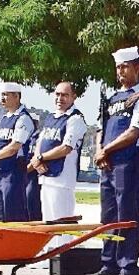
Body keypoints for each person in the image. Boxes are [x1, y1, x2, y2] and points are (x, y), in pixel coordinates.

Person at [89, 46, 139, 275]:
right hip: (107, 162)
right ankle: (109, 263)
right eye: (118, 67)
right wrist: (100, 150)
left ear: (137, 68)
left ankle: (128, 266)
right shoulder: (111, 98)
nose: (120, 72)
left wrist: (106, 150)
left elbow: (134, 132)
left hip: (128, 162)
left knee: (126, 214)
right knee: (108, 215)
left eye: (125, 67)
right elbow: (101, 128)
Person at [29, 81, 87, 223]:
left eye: (65, 95)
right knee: (48, 221)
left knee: (61, 221)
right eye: (57, 94)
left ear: (74, 97)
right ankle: (51, 246)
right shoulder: (51, 117)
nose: (60, 98)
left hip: (62, 180)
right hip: (46, 177)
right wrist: (37, 161)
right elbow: (40, 142)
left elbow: (66, 148)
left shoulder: (75, 119)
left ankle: (64, 246)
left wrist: (42, 158)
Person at [0, 82, 34, 222]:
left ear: (16, 96)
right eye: (2, 95)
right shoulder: (5, 118)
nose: (2, 99)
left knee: (13, 214)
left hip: (13, 173)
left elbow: (13, 147)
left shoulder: (23, 118)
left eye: (6, 95)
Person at [25, 113, 43, 221]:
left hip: (33, 176)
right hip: (23, 176)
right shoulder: (25, 137)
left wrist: (25, 170)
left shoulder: (38, 137)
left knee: (31, 201)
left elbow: (36, 159)